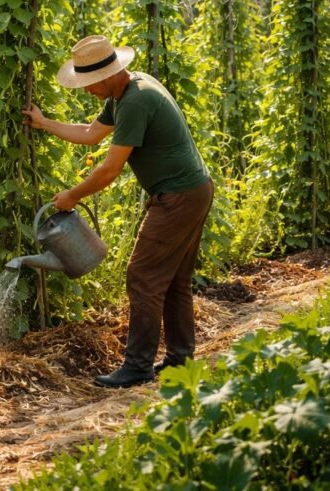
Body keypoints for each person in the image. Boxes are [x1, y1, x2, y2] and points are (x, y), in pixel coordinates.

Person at [23, 35, 213, 388]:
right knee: (173, 281)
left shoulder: (135, 102)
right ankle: (179, 360)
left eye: (88, 83)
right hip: (193, 190)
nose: (84, 90)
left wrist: (73, 196)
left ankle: (137, 366)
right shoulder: (128, 89)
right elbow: (92, 133)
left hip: (178, 197)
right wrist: (44, 123)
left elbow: (110, 169)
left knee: (142, 276)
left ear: (109, 74)